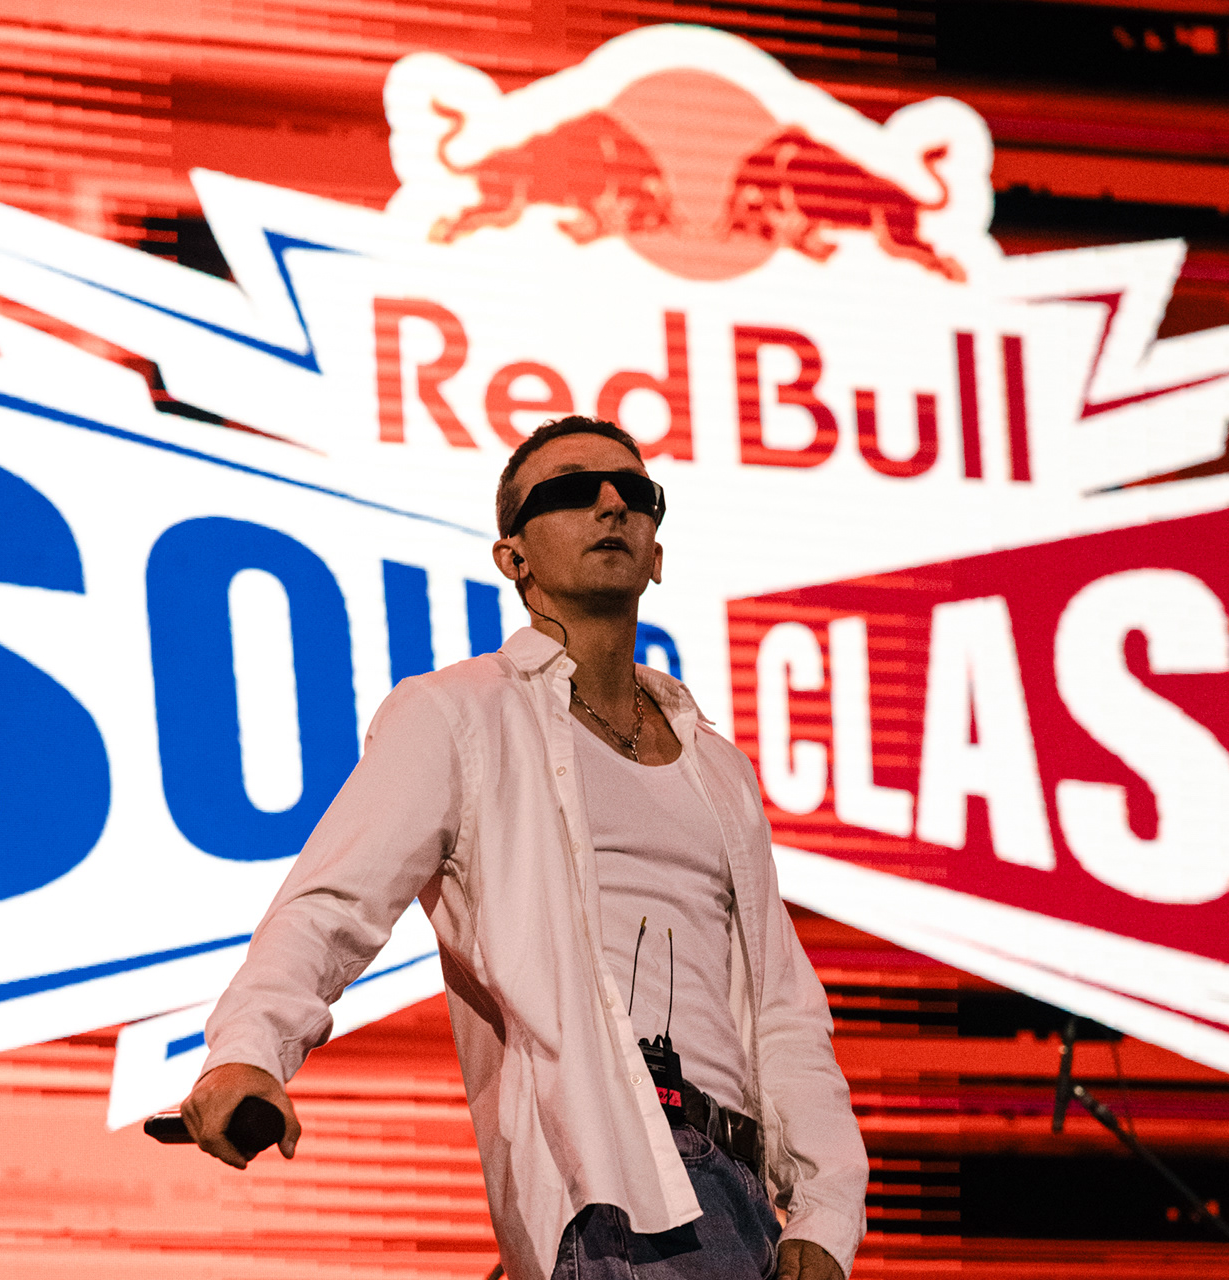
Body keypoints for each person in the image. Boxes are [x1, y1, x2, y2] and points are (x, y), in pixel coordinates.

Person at [182, 416, 867, 1279]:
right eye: (574, 491)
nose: (612, 504)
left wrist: (826, 1211)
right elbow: (334, 903)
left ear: (657, 553)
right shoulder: (462, 715)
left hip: (740, 1199)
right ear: (513, 558)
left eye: (636, 493)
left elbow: (783, 1009)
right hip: (612, 1178)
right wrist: (248, 1051)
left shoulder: (717, 767)